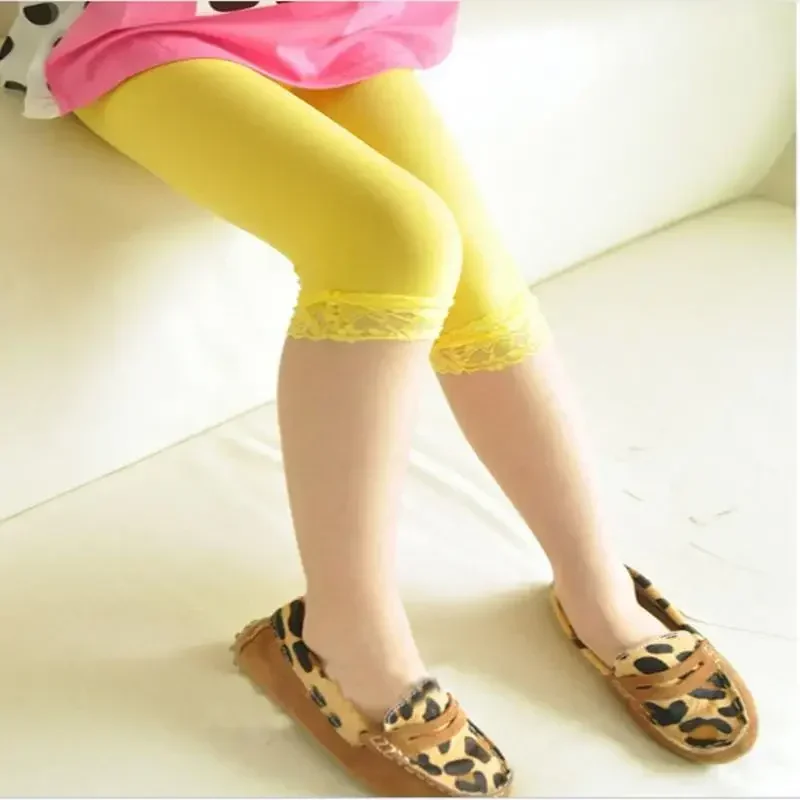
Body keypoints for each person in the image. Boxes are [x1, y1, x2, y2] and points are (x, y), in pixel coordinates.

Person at [1, 1, 757, 795]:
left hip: (328, 17)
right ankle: (345, 633)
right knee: (397, 242)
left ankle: (596, 585)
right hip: (135, 21)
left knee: (479, 284)